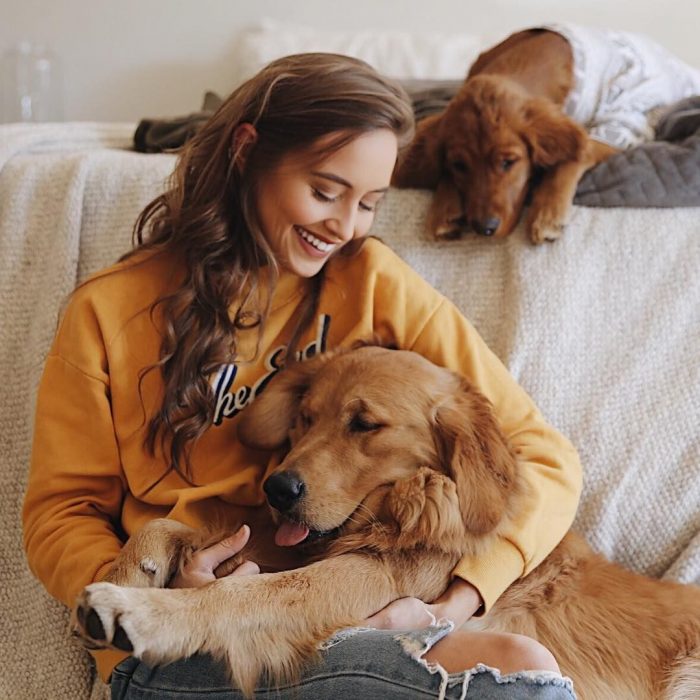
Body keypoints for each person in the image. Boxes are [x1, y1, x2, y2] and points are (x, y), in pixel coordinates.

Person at [23, 53, 581, 700]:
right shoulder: (108, 311)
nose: (343, 228)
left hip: (319, 616)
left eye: (369, 203)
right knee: (517, 677)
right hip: (164, 642)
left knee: (521, 664)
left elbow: (544, 458)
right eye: (324, 192)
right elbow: (61, 511)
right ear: (246, 151)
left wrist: (454, 603)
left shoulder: (371, 281)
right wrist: (141, 597)